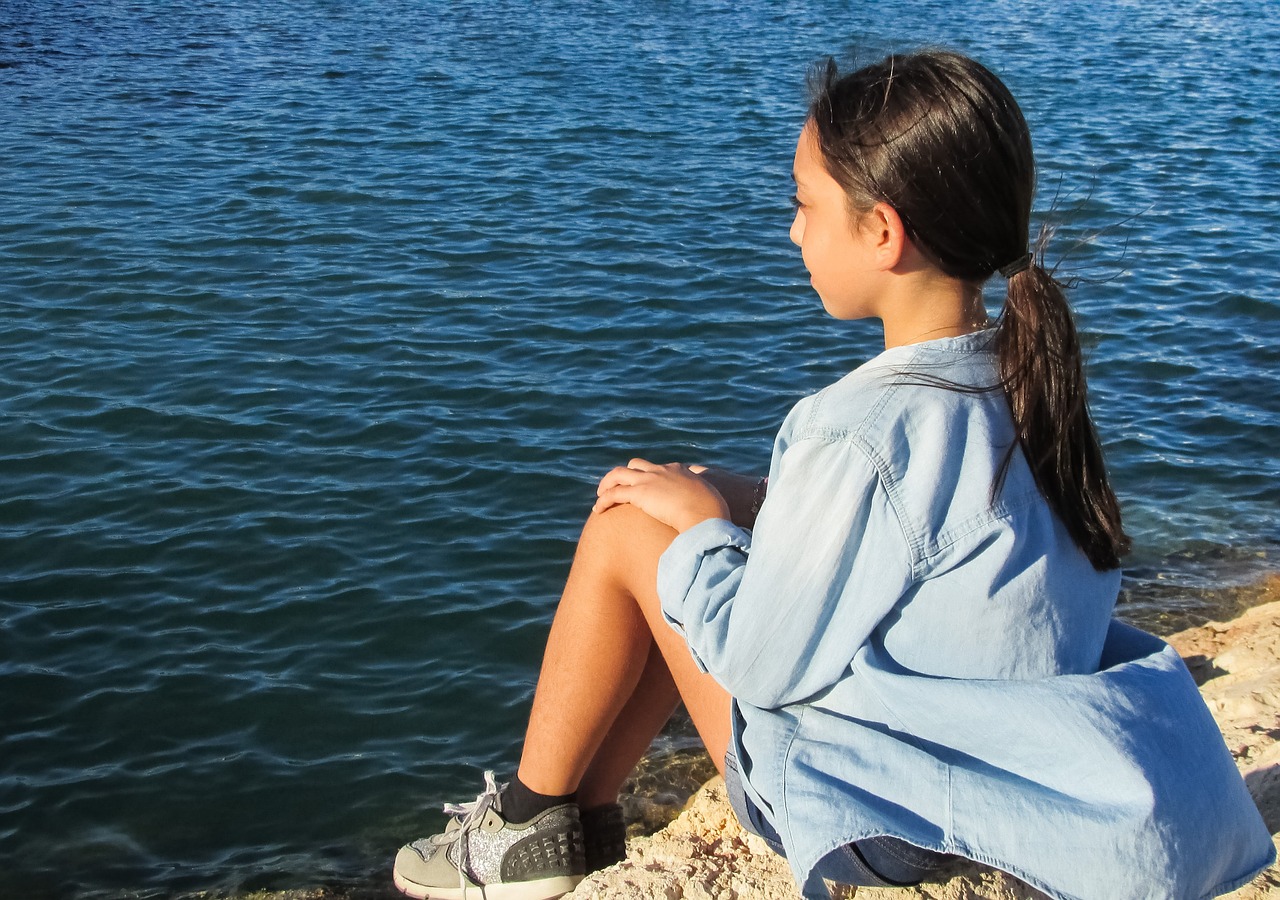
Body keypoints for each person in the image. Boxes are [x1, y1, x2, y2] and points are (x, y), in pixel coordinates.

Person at [392, 49, 1274, 900]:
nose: (791, 230)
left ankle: (523, 828)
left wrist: (706, 531)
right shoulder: (1027, 381)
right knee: (692, 513)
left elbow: (756, 663)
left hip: (889, 821)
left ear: (883, 232)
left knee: (632, 531)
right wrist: (744, 500)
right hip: (1007, 775)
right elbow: (925, 538)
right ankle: (577, 824)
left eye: (804, 204)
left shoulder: (855, 430)